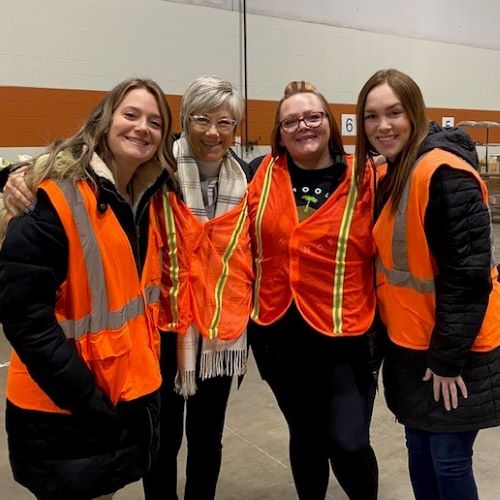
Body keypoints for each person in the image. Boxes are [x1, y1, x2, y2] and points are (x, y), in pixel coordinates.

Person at [0, 77, 176, 499]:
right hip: (62, 409)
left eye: (155, 122)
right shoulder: (53, 194)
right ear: (104, 120)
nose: (142, 128)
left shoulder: (144, 198)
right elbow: (25, 320)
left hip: (113, 400)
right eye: (130, 115)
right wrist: (89, 401)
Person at [355, 68, 500, 500]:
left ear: (415, 113)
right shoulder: (393, 173)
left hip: (455, 354)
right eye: (371, 116)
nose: (383, 126)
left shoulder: (442, 174)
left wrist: (447, 361)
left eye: (394, 113)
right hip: (411, 349)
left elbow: (469, 278)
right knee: (418, 450)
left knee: (449, 461)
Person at [248, 81, 379, 500]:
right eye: (291, 121)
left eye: (312, 116)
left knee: (348, 441)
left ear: (330, 123)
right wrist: (41, 166)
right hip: (277, 334)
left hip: (346, 335)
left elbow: (419, 157)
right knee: (304, 435)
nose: (303, 126)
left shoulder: (368, 174)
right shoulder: (259, 172)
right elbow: (193, 164)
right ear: (279, 132)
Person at [144, 75, 252, 500]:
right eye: (202, 119)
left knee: (207, 436)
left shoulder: (244, 178)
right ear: (185, 119)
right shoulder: (158, 169)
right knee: (163, 437)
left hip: (220, 331)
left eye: (225, 123)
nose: (213, 132)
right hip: (164, 326)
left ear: (236, 128)